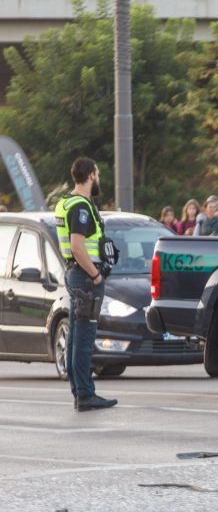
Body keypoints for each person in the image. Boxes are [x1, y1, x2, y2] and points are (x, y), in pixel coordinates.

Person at [54, 157, 118, 412]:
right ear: (91, 174)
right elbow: (78, 246)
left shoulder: (64, 203)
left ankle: (79, 391)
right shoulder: (80, 207)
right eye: (98, 173)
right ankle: (85, 394)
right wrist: (96, 275)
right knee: (83, 338)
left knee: (75, 338)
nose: (99, 178)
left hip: (75, 274)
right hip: (86, 278)